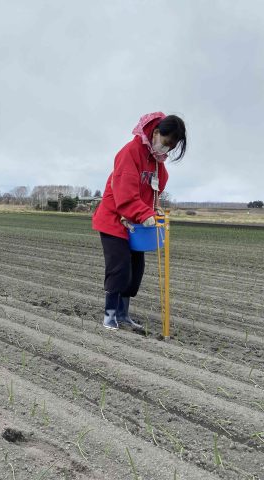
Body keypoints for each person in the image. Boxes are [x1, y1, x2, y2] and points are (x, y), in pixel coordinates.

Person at [92, 112, 187, 330]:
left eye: (172, 146)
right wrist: (144, 215)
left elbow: (154, 192)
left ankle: (124, 315)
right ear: (155, 133)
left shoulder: (156, 163)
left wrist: (154, 213)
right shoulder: (130, 153)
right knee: (120, 268)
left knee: (135, 271)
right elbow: (125, 195)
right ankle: (110, 316)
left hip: (135, 225)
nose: (168, 149)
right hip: (114, 219)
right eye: (166, 142)